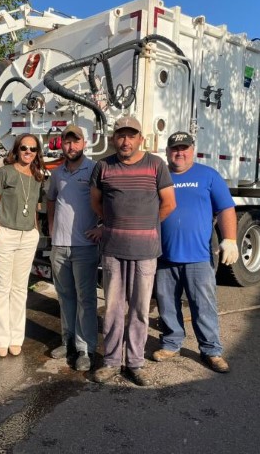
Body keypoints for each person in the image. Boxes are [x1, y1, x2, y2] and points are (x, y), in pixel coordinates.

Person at [89, 116, 176, 386]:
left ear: (141, 138)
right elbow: (96, 202)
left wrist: (146, 227)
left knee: (139, 309)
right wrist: (116, 226)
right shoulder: (103, 167)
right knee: (113, 308)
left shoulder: (156, 165)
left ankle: (135, 363)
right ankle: (112, 362)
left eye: (131, 136)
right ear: (114, 138)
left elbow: (169, 203)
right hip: (113, 249)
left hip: (146, 250)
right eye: (121, 136)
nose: (125, 141)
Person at [153, 131, 238, 373]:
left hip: (199, 256)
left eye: (184, 148)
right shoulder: (160, 175)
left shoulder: (208, 175)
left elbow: (225, 208)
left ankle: (211, 350)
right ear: (168, 152)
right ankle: (171, 343)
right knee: (167, 304)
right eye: (174, 148)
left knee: (203, 306)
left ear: (193, 149)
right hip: (164, 255)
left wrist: (230, 239)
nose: (179, 152)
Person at [47, 125, 100, 371]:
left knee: (85, 299)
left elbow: (108, 200)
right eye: (67, 142)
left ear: (84, 143)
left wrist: (101, 226)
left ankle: (85, 348)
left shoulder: (94, 169)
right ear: (62, 145)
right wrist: (51, 228)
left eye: (75, 142)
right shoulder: (57, 174)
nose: (71, 146)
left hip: (84, 247)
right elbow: (50, 201)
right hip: (60, 246)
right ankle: (66, 340)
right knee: (65, 297)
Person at [0, 134, 45, 357]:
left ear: (37, 152)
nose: (28, 152)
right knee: (2, 288)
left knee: (20, 289)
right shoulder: (5, 172)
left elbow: (33, 206)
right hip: (6, 234)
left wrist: (35, 231)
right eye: (24, 148)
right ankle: (0, 338)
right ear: (17, 149)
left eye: (32, 149)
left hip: (27, 237)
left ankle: (15, 337)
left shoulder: (38, 176)